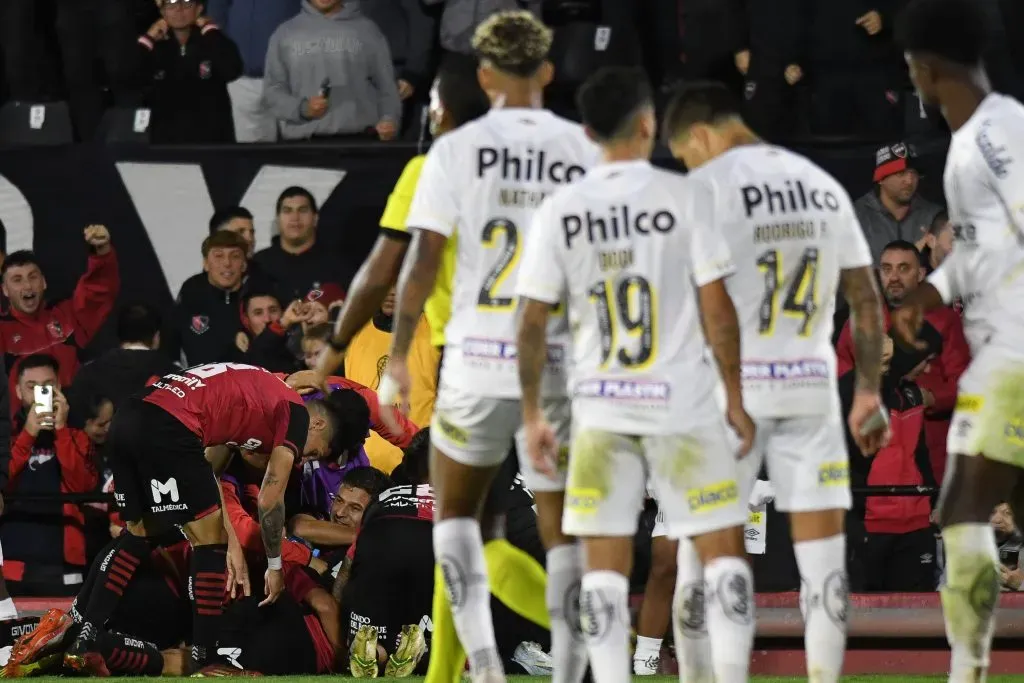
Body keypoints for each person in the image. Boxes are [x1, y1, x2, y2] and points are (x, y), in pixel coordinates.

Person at [315, 51, 555, 683]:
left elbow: (391, 268)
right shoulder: (550, 164)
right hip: (551, 373)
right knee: (508, 530)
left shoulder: (434, 166)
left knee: (467, 532)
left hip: (476, 374)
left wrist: (333, 352)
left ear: (440, 109)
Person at [378, 12, 601, 683]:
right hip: (556, 357)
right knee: (550, 530)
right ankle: (565, 665)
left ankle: (481, 665)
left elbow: (411, 266)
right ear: (548, 70)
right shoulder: (580, 148)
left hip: (473, 357)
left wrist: (388, 355)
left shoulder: (446, 158)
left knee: (460, 525)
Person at [515, 67, 754, 683]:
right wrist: (734, 394)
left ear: (588, 131)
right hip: (682, 405)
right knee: (722, 552)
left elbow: (531, 323)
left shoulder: (560, 210)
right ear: (649, 124)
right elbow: (719, 310)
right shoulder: (686, 196)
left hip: (599, 411)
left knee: (603, 565)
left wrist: (535, 413)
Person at [662, 81, 888, 683]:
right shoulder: (822, 185)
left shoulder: (703, 189)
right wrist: (867, 390)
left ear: (702, 136)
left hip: (728, 394)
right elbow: (865, 300)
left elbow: (695, 309)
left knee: (701, 554)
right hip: (810, 389)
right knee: (823, 562)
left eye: (684, 152)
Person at [43, 364, 350, 674]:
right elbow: (270, 499)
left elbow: (209, 467)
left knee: (141, 534)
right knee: (210, 542)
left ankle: (83, 633)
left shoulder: (261, 391)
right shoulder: (296, 413)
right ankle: (205, 657)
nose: (303, 460)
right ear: (317, 424)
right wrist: (274, 565)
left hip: (129, 417)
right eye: (312, 454)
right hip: (169, 428)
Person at [891, 1, 1024, 679]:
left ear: (924, 66)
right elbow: (976, 253)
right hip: (1004, 349)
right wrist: (929, 292)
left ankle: (966, 671)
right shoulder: (972, 141)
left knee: (963, 507)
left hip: (1016, 354)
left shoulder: (1000, 135)